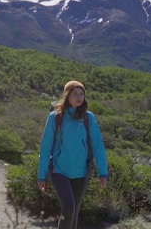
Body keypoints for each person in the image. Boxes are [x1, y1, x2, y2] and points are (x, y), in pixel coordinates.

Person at [37, 80, 108, 229]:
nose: (79, 97)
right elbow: (45, 148)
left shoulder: (88, 118)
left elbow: (98, 146)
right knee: (69, 208)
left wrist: (103, 173)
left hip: (81, 172)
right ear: (67, 95)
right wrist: (41, 175)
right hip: (59, 170)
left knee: (74, 212)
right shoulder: (55, 117)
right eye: (75, 93)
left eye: (81, 93)